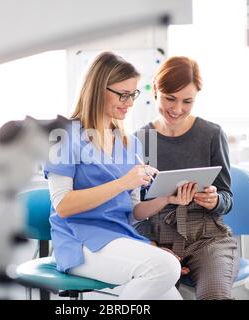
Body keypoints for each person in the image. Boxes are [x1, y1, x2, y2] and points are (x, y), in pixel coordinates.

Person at [44, 52, 191, 300]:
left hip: (119, 237)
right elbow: (63, 205)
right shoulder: (63, 136)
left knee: (171, 295)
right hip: (79, 241)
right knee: (165, 267)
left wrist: (166, 200)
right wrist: (125, 181)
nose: (129, 102)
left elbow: (133, 210)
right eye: (123, 95)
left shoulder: (129, 143)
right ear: (98, 89)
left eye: (133, 94)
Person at [135, 56, 239, 300]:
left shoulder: (212, 134)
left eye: (187, 101)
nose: (177, 109)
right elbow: (133, 208)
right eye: (170, 98)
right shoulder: (141, 139)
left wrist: (215, 201)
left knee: (215, 295)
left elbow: (227, 197)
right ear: (156, 90)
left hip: (207, 239)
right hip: (158, 239)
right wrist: (150, 245)